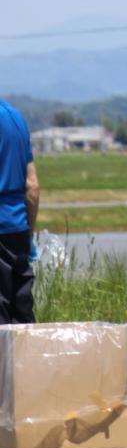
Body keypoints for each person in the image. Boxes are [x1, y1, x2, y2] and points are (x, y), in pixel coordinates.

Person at [0, 100, 38, 324]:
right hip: (18, 229)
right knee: (21, 315)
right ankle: (27, 360)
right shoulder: (16, 118)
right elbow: (32, 185)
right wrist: (28, 235)